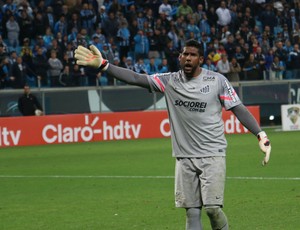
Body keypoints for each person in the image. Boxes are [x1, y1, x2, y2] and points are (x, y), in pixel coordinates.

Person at [74, 39, 271, 230]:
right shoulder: (169, 81)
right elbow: (136, 78)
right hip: (184, 157)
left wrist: (260, 134)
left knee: (212, 209)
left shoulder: (217, 81)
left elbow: (238, 108)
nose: (187, 58)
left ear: (200, 59)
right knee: (192, 212)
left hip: (213, 154)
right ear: (180, 57)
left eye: (193, 55)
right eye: (184, 54)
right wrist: (104, 65)